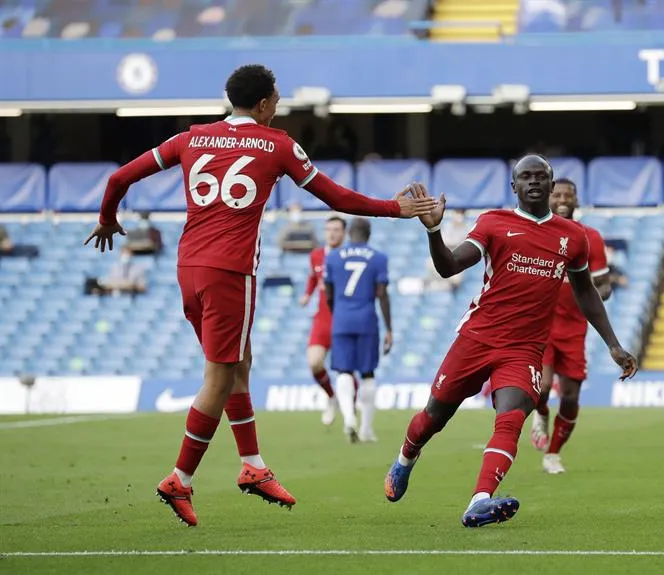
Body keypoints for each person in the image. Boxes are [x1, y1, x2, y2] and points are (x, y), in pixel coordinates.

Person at [83, 64, 435, 527]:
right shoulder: (276, 144)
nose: (279, 105)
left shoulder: (190, 139)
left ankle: (252, 465)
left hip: (189, 268)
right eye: (278, 98)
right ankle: (180, 478)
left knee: (238, 366)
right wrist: (396, 209)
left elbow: (118, 180)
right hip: (231, 271)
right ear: (266, 102)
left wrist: (108, 218)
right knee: (219, 377)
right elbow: (335, 198)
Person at [382, 155, 637, 528]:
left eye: (541, 177)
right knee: (434, 417)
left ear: (551, 187)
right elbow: (449, 266)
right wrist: (434, 232)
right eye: (525, 177)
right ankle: (406, 456)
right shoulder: (494, 223)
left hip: (525, 348)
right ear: (513, 187)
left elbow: (586, 293)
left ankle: (479, 500)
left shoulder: (573, 237)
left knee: (511, 418)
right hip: (477, 338)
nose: (534, 182)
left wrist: (613, 344)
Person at [529, 178, 610, 474]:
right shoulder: (536, 233)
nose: (563, 199)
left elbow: (605, 287)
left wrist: (587, 294)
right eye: (558, 194)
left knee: (572, 395)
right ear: (548, 197)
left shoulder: (590, 237)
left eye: (569, 194)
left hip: (575, 328)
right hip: (542, 326)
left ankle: (553, 454)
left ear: (576, 199)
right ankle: (540, 413)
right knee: (544, 385)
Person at [324, 217, 391, 443]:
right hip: (366, 320)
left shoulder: (332, 257)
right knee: (368, 373)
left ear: (349, 233)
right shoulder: (379, 258)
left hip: (342, 319)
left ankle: (349, 418)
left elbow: (329, 294)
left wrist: (338, 315)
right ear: (369, 234)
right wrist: (389, 328)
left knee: (343, 371)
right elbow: (382, 293)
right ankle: (365, 428)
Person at [300, 216, 346, 426]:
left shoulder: (348, 256)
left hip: (344, 318)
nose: (332, 233)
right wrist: (307, 294)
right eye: (328, 229)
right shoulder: (317, 255)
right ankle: (331, 397)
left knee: (347, 369)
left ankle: (350, 413)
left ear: (344, 233)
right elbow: (313, 277)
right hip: (322, 319)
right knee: (314, 362)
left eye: (336, 229)